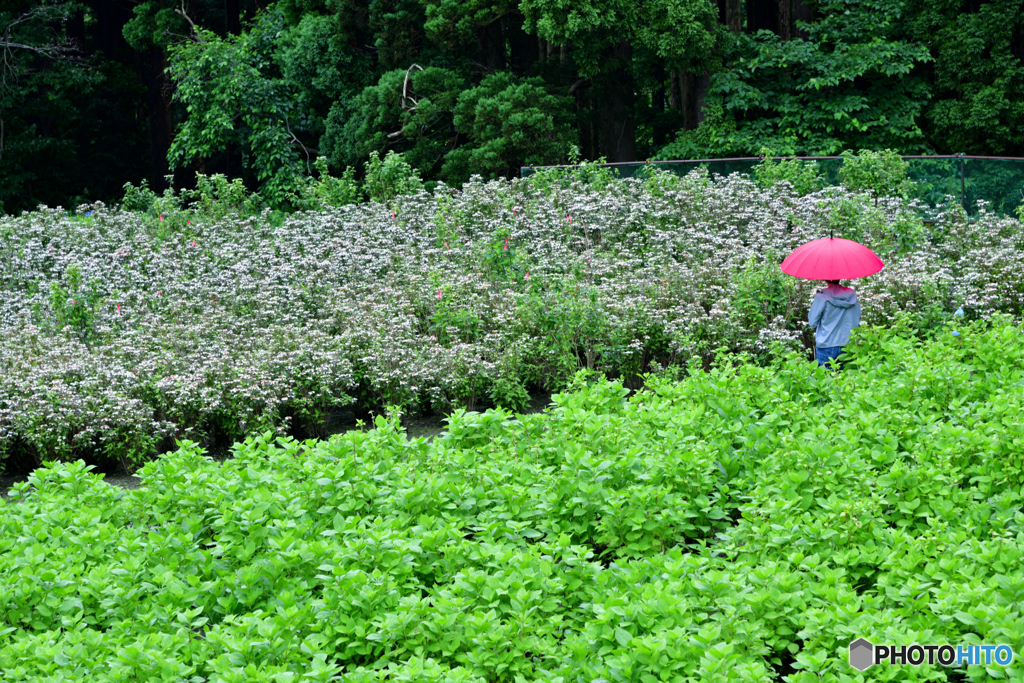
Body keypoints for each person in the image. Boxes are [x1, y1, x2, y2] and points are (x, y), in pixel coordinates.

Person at [808, 279, 861, 368]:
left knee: (825, 379)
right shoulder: (852, 296)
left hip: (826, 345)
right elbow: (857, 315)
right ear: (839, 278)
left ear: (825, 279)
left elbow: (812, 323)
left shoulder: (822, 297)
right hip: (849, 344)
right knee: (848, 379)